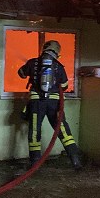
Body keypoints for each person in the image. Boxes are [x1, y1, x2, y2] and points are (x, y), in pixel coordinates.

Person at [17, 40, 82, 170]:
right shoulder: (58, 66)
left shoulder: (33, 62)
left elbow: (21, 73)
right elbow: (64, 86)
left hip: (36, 102)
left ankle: (35, 163)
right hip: (54, 104)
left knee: (35, 131)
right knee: (62, 130)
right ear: (57, 52)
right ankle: (75, 160)